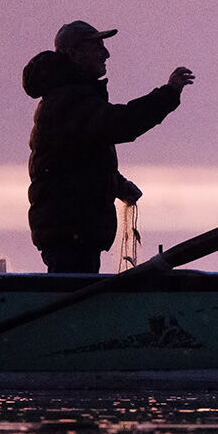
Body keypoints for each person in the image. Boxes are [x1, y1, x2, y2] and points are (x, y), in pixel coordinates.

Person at [23, 20, 194, 273]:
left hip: (70, 231)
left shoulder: (68, 97)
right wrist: (168, 94)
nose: (106, 53)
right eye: (97, 46)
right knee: (75, 298)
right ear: (74, 53)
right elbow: (122, 123)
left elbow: (80, 163)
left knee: (74, 293)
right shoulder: (71, 99)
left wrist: (118, 185)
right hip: (71, 232)